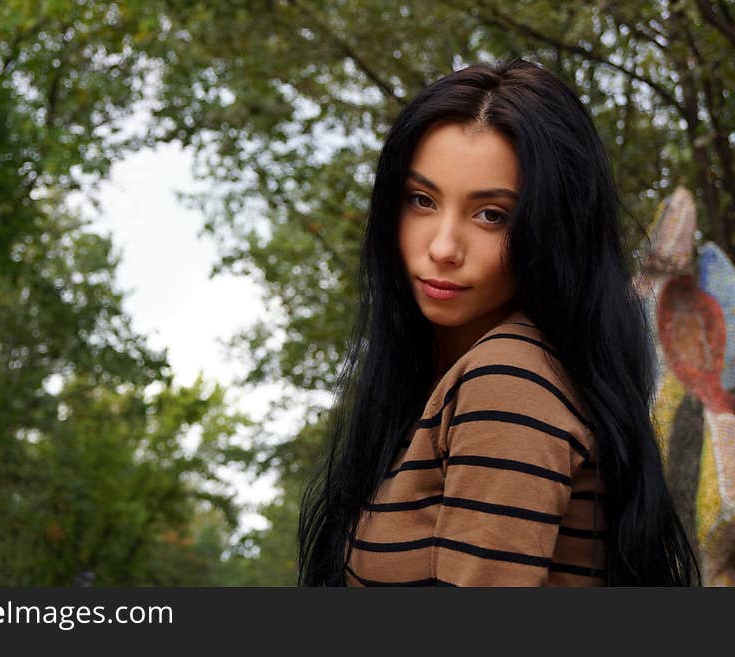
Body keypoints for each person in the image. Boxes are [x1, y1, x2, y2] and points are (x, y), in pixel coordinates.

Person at [297, 58, 701, 586]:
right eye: (421, 200)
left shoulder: (508, 382)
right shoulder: (456, 381)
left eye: (491, 214)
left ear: (553, 229)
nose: (442, 248)